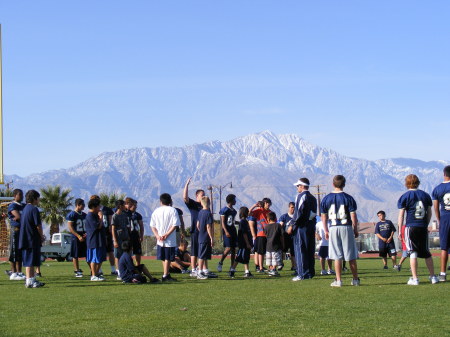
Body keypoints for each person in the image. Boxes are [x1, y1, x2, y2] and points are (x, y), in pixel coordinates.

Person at [398, 174, 439, 285]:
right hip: (422, 226)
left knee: (412, 252)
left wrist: (399, 230)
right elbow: (429, 212)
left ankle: (415, 278)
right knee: (426, 252)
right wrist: (426, 224)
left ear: (406, 183)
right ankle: (433, 277)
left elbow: (401, 215)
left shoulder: (405, 196)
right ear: (418, 182)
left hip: (411, 226)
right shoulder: (425, 195)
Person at [321, 175, 360, 287]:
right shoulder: (348, 198)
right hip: (346, 227)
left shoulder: (326, 198)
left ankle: (338, 281)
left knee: (336, 255)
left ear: (333, 184)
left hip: (333, 227)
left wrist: (326, 230)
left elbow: (324, 217)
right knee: (351, 255)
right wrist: (355, 229)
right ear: (344, 184)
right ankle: (355, 279)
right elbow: (353, 216)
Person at [289, 178, 317, 281]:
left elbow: (298, 213)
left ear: (301, 186)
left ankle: (302, 274)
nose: (297, 188)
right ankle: (310, 272)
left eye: (298, 186)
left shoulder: (301, 196)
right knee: (310, 249)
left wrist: (292, 224)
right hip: (311, 225)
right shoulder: (313, 198)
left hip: (302, 226)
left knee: (300, 249)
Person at [150, 193, 180, 282]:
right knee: (168, 257)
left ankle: (166, 273)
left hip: (160, 239)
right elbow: (175, 225)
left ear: (160, 202)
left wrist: (157, 235)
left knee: (163, 257)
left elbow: (152, 225)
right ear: (170, 201)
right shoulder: (173, 210)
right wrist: (167, 234)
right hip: (169, 239)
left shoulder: (156, 211)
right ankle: (165, 275)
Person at [18, 190, 45, 288]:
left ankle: (31, 280)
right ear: (34, 198)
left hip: (25, 238)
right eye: (38, 198)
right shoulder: (34, 209)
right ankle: (29, 281)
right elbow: (38, 225)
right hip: (31, 239)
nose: (38, 200)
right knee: (30, 261)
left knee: (29, 260)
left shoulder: (25, 209)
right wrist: (41, 236)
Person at [432, 165, 450, 282]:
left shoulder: (438, 189)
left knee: (444, 247)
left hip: (445, 218)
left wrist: (439, 220)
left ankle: (443, 273)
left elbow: (436, 207)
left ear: (444, 174)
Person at [183, 177, 204, 277]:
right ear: (197, 196)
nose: (204, 197)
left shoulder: (205, 206)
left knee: (202, 251)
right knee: (194, 251)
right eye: (202, 195)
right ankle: (193, 270)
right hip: (195, 231)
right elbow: (185, 198)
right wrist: (186, 185)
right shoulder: (193, 204)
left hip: (203, 232)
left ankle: (202, 269)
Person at [229, 207, 254, 278]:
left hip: (245, 243)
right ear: (245, 213)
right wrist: (247, 243)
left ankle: (247, 272)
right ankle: (232, 270)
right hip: (243, 244)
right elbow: (244, 233)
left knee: (246, 258)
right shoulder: (243, 222)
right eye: (248, 212)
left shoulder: (245, 221)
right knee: (239, 257)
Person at [7, 189, 26, 281]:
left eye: (22, 195)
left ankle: (19, 272)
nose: (22, 196)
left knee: (20, 252)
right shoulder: (12, 205)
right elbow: (19, 217)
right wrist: (19, 217)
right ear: (15, 196)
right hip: (15, 231)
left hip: (22, 231)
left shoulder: (23, 205)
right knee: (14, 252)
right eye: (20, 195)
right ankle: (13, 273)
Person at [85, 197, 105, 281]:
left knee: (100, 258)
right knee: (94, 258)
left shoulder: (95, 215)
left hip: (100, 240)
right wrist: (101, 217)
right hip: (94, 240)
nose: (99, 208)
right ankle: (93, 275)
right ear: (93, 207)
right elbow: (98, 226)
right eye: (98, 206)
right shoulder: (90, 216)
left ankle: (96, 274)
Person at [249, 198, 272, 272]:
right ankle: (260, 267)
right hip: (261, 234)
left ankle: (269, 267)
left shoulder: (270, 212)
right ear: (264, 204)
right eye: (267, 203)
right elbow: (249, 213)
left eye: (269, 203)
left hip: (269, 234)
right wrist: (254, 206)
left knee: (268, 251)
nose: (268, 205)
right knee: (260, 252)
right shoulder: (259, 211)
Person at [67, 198, 88, 278]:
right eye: (82, 205)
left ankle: (92, 270)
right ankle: (77, 270)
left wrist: (85, 234)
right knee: (75, 254)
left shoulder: (84, 215)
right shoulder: (72, 214)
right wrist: (78, 236)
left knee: (86, 254)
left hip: (83, 236)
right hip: (75, 237)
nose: (84, 206)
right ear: (77, 205)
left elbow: (87, 226)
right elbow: (70, 228)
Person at [217, 194, 238, 272]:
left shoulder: (234, 211)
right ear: (231, 200)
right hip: (227, 230)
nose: (235, 201)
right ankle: (220, 262)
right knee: (228, 248)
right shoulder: (225, 210)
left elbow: (232, 221)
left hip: (233, 230)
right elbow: (223, 222)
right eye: (234, 200)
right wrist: (226, 231)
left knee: (233, 249)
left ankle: (232, 267)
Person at [112, 200, 131, 280]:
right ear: (120, 206)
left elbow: (127, 226)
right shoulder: (115, 216)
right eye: (124, 204)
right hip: (118, 238)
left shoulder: (124, 215)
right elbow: (113, 229)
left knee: (126, 254)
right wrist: (115, 240)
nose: (125, 206)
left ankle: (126, 270)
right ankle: (119, 272)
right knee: (117, 255)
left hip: (125, 238)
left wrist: (129, 236)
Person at [196, 196, 214, 280]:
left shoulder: (200, 212)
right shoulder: (208, 213)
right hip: (205, 237)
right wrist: (211, 237)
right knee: (202, 255)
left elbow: (198, 225)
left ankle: (205, 270)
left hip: (200, 236)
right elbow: (209, 226)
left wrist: (201, 231)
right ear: (209, 203)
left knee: (204, 255)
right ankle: (200, 272)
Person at [264, 212, 284, 276]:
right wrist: (283, 244)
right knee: (275, 259)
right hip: (276, 246)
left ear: (268, 219)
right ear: (275, 218)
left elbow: (265, 235)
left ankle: (271, 270)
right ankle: (274, 270)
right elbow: (281, 236)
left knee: (269, 259)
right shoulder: (278, 225)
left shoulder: (266, 226)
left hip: (268, 246)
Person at [279, 202, 296, 272]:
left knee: (293, 252)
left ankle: (294, 265)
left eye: (294, 207)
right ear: (289, 207)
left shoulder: (296, 216)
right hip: (285, 237)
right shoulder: (284, 216)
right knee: (283, 250)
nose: (293, 209)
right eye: (292, 207)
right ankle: (280, 264)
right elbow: (280, 225)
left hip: (294, 237)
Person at [101, 201, 116, 275]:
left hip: (107, 233)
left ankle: (113, 269)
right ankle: (99, 270)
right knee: (99, 252)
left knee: (110, 251)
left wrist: (110, 233)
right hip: (99, 234)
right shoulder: (94, 210)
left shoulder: (107, 210)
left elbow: (110, 223)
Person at [129, 200, 144, 265]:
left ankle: (138, 265)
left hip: (135, 234)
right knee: (128, 250)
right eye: (133, 205)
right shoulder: (126, 214)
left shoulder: (137, 215)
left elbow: (141, 226)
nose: (135, 207)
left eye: (135, 205)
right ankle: (129, 264)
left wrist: (141, 235)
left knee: (137, 251)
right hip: (128, 234)